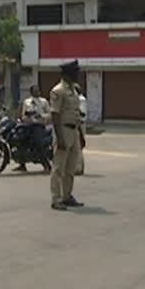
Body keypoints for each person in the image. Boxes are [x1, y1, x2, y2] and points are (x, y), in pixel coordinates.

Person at [49, 61, 86, 210]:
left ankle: (67, 196)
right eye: (74, 72)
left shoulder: (74, 91)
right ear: (66, 74)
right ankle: (56, 199)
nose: (76, 75)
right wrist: (60, 137)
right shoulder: (58, 91)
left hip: (74, 131)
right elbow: (55, 115)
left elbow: (77, 115)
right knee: (58, 168)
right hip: (63, 131)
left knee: (71, 168)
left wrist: (81, 135)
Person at [14, 85, 51, 173]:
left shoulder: (44, 102)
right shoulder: (27, 102)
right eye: (35, 91)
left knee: (39, 143)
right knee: (20, 141)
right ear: (31, 92)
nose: (37, 92)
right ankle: (22, 164)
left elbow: (49, 114)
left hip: (38, 126)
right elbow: (22, 115)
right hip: (27, 125)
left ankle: (46, 164)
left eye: (38, 90)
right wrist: (26, 117)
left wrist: (41, 115)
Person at [74, 84, 87, 176]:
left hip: (79, 124)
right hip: (77, 124)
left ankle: (78, 168)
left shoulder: (81, 100)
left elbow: (82, 113)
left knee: (78, 147)